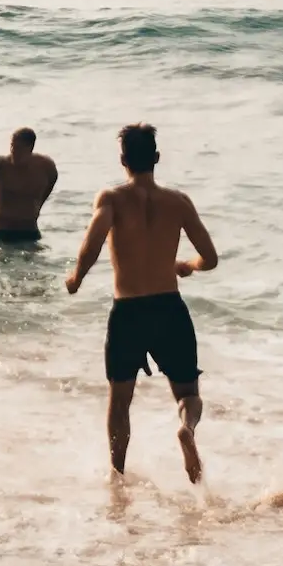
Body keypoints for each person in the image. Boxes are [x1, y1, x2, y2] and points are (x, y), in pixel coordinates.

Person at [65, 123, 218, 482]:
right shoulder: (178, 202)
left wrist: (76, 278)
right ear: (157, 158)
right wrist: (187, 266)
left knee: (120, 401)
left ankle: (117, 475)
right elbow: (209, 257)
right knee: (187, 393)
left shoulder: (111, 199)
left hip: (129, 312)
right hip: (169, 308)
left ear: (123, 160)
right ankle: (187, 429)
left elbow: (93, 242)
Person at [0, 128, 59, 242]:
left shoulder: (45, 166)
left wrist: (39, 204)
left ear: (30, 148)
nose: (13, 151)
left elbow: (53, 178)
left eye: (18, 148)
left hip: (30, 230)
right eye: (12, 146)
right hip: (3, 231)